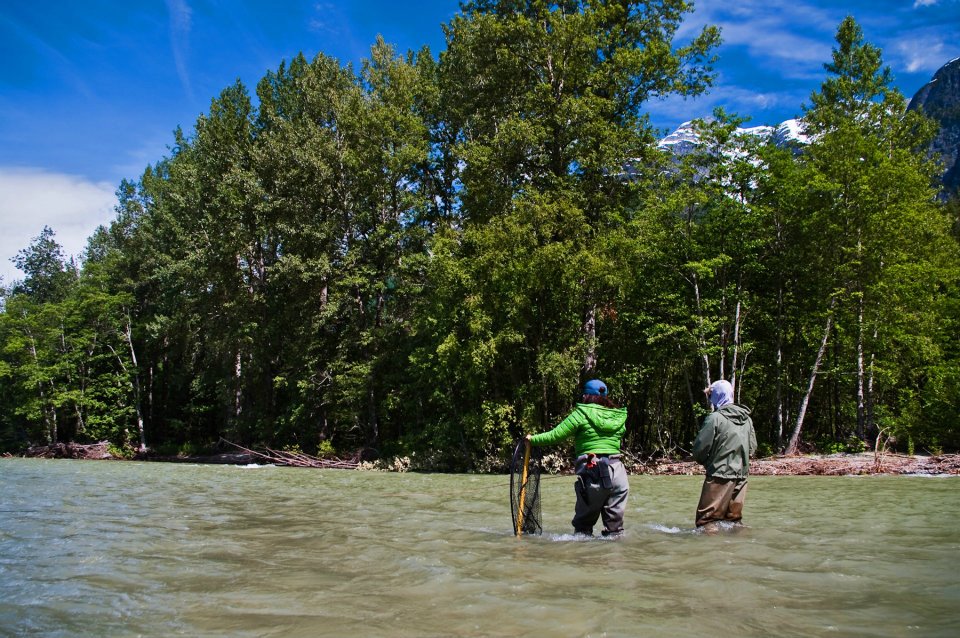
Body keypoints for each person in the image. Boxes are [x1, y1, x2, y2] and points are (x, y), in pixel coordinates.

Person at [526, 379, 629, 537]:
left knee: (583, 531)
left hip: (594, 473)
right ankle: (614, 560)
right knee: (615, 533)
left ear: (586, 396)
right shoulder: (618, 417)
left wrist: (532, 440)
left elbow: (555, 435)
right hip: (619, 474)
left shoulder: (581, 414)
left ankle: (584, 561)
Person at [692, 379, 757, 532]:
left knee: (705, 523)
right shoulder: (747, 419)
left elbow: (700, 449)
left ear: (716, 397)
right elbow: (752, 448)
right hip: (741, 477)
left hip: (718, 475)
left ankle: (711, 555)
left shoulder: (715, 418)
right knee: (734, 523)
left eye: (710, 395)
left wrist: (708, 463)